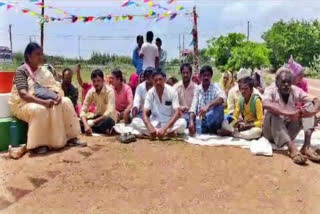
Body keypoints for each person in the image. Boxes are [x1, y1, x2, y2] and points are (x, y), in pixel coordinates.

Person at [9, 42, 84, 154]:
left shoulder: (44, 71)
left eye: (41, 54)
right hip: (22, 104)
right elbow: (23, 95)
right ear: (29, 56)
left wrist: (57, 95)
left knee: (66, 101)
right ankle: (38, 144)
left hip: (44, 100)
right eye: (37, 54)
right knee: (39, 109)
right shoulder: (22, 71)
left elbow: (55, 86)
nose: (41, 57)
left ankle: (70, 138)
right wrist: (43, 102)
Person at [262, 68, 320, 165]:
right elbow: (265, 104)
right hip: (271, 132)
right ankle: (292, 148)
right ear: (277, 82)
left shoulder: (295, 90)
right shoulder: (271, 89)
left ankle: (306, 146)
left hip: (288, 132)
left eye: (289, 82)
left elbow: (316, 101)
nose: (286, 85)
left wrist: (312, 112)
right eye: (283, 82)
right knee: (273, 112)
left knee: (309, 106)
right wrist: (288, 113)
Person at [131, 70, 187, 138]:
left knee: (182, 123)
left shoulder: (172, 91)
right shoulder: (150, 93)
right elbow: (144, 112)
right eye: (156, 80)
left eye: (160, 80)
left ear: (164, 80)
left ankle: (156, 133)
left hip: (169, 123)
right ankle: (166, 134)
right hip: (154, 122)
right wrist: (149, 126)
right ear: (153, 81)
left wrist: (165, 128)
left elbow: (177, 112)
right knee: (135, 121)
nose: (158, 82)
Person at [189, 65, 226, 136]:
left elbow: (222, 98)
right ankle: (210, 129)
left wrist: (208, 106)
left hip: (213, 119)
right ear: (200, 77)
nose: (206, 77)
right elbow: (193, 106)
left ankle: (210, 128)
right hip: (201, 120)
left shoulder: (215, 86)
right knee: (187, 118)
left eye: (208, 75)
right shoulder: (198, 89)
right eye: (204, 75)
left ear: (211, 76)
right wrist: (191, 122)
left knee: (219, 108)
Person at [80, 69, 116, 136]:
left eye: (98, 81)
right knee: (79, 122)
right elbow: (83, 110)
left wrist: (93, 122)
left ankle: (93, 129)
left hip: (106, 118)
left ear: (103, 81)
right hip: (97, 117)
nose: (96, 83)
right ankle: (93, 129)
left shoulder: (109, 91)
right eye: (94, 81)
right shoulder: (91, 92)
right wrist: (86, 125)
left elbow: (109, 112)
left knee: (107, 121)